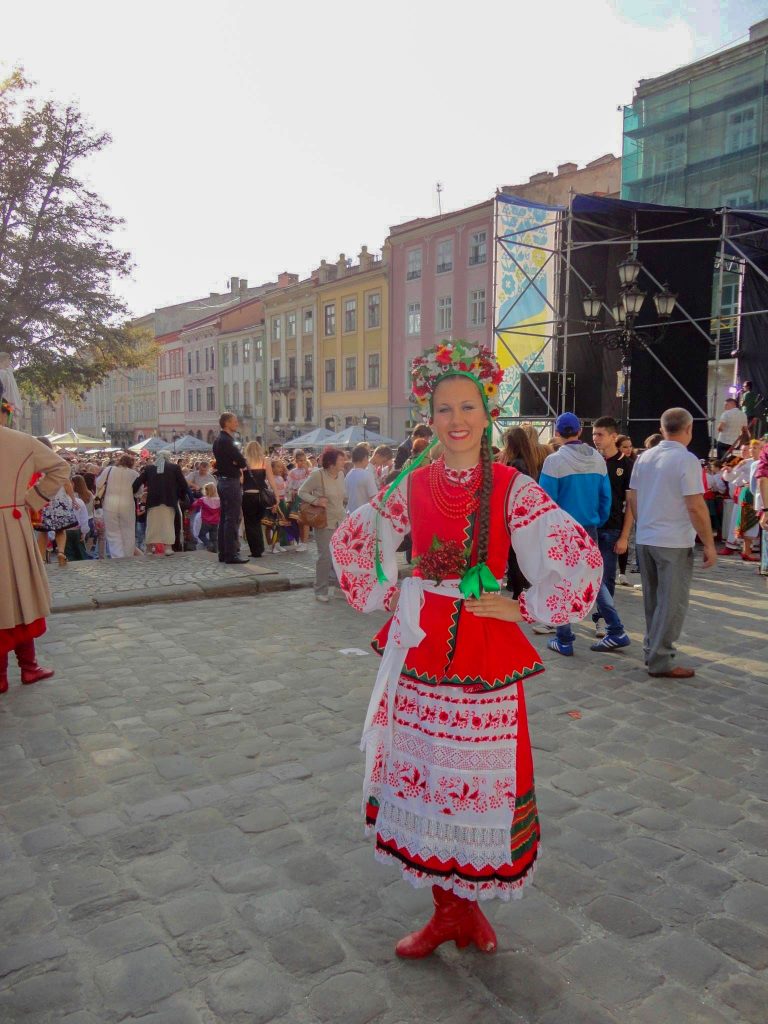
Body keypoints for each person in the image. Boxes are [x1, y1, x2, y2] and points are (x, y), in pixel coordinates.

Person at [329, 340, 601, 958]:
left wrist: (523, 606)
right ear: (430, 418)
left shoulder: (512, 486)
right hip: (423, 643)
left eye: (468, 407)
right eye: (445, 409)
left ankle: (467, 908)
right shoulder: (412, 484)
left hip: (483, 643)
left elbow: (575, 555)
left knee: (478, 777)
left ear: (488, 413)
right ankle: (446, 913)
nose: (457, 420)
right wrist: (391, 592)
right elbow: (357, 537)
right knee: (426, 777)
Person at [627, 407, 717, 679]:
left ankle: (652, 650)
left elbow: (633, 496)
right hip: (673, 540)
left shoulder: (644, 457)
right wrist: (709, 543)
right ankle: (661, 659)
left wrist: (644, 523)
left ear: (662, 428)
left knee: (653, 600)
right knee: (672, 603)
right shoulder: (686, 460)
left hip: (647, 537)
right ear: (689, 429)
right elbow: (695, 505)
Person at [539, 413, 630, 656]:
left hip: (562, 529)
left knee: (560, 580)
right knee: (593, 579)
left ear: (557, 433)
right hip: (589, 528)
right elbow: (606, 498)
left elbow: (546, 503)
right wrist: (597, 520)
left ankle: (564, 638)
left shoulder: (554, 461)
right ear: (580, 432)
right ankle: (615, 628)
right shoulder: (598, 460)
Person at [0, 381, 69, 692]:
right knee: (20, 593)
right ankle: (28, 667)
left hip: (13, 520)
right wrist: (31, 500)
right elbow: (60, 468)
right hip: (13, 525)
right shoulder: (22, 441)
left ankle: (2, 675)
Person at [591, 416, 634, 629]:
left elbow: (631, 504)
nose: (595, 438)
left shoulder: (626, 465)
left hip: (611, 528)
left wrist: (625, 536)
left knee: (607, 577)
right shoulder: (590, 461)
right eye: (593, 434)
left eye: (600, 434)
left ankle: (604, 619)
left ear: (613, 436)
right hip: (588, 526)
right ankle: (562, 621)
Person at [297, 447, 347, 602]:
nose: (344, 462)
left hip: (340, 520)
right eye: (341, 459)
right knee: (325, 557)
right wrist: (316, 500)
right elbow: (301, 491)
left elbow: (342, 497)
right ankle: (320, 590)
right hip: (324, 521)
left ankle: (339, 588)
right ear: (331, 463)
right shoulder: (317, 475)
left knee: (341, 556)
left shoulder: (341, 474)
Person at [133, 453, 189, 557]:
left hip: (153, 501)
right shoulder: (174, 467)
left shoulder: (149, 468)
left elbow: (138, 482)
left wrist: (135, 493)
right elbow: (184, 485)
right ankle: (168, 548)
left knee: (152, 525)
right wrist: (180, 496)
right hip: (169, 500)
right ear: (168, 457)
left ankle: (149, 548)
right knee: (168, 524)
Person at [212, 413, 248, 564]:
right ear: (226, 423)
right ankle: (231, 554)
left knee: (225, 518)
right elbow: (242, 462)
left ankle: (223, 553)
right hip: (230, 482)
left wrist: (235, 462)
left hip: (222, 481)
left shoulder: (218, 440)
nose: (237, 423)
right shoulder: (227, 440)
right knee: (232, 518)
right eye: (234, 421)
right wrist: (236, 463)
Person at [95, 454, 139, 559]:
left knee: (112, 532)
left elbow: (98, 483)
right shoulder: (134, 474)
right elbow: (139, 493)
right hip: (127, 505)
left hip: (110, 504)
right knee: (128, 531)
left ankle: (117, 556)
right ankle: (127, 555)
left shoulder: (109, 469)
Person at [241, 441, 280, 559]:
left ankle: (255, 550)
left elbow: (241, 480)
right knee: (258, 522)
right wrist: (276, 496)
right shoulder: (265, 461)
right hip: (261, 496)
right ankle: (260, 548)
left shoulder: (244, 462)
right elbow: (271, 480)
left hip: (248, 495)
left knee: (250, 523)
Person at [286, 449, 312, 551]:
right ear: (296, 461)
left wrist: (307, 471)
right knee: (299, 521)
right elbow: (288, 485)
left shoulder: (309, 471)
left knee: (304, 520)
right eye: (300, 460)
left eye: (304, 460)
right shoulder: (292, 472)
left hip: (306, 497)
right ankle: (301, 541)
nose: (302, 462)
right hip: (296, 498)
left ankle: (305, 542)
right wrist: (291, 491)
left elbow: (311, 482)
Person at [345, 443, 378, 514]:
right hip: (364, 514)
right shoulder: (368, 475)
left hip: (351, 514)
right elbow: (374, 497)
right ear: (365, 458)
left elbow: (346, 497)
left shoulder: (348, 475)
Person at [190, 482, 221, 552]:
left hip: (206, 522)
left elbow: (194, 505)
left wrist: (190, 510)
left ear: (205, 491)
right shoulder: (219, 500)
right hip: (215, 522)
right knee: (214, 538)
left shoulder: (203, 499)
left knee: (201, 535)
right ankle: (215, 550)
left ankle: (209, 544)